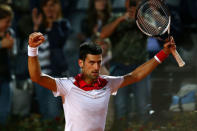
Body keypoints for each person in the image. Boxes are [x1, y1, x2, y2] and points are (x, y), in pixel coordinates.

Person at [28, 32, 175, 131]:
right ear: (81, 63)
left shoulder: (108, 83)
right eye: (91, 62)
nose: (96, 67)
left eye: (99, 62)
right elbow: (37, 77)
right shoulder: (67, 85)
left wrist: (163, 54)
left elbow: (136, 76)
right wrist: (32, 50)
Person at [100, 0, 150, 126]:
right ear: (126, 3)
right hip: (119, 68)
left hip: (140, 68)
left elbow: (154, 32)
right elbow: (103, 34)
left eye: (136, 1)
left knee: (143, 106)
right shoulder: (116, 18)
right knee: (121, 106)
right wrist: (121, 19)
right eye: (130, 1)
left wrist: (138, 18)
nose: (133, 4)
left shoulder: (146, 18)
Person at [31, 0, 71, 119]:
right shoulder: (40, 26)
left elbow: (58, 42)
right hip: (40, 74)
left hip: (56, 75)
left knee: (53, 111)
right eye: (46, 6)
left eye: (52, 5)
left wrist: (53, 23)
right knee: (43, 110)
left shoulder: (63, 24)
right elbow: (32, 48)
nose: (49, 9)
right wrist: (36, 27)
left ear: (58, 7)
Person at [0, 4, 15, 126]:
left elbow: (13, 55)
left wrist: (10, 47)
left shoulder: (9, 33)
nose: (9, 25)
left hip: (6, 77)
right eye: (7, 21)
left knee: (4, 112)